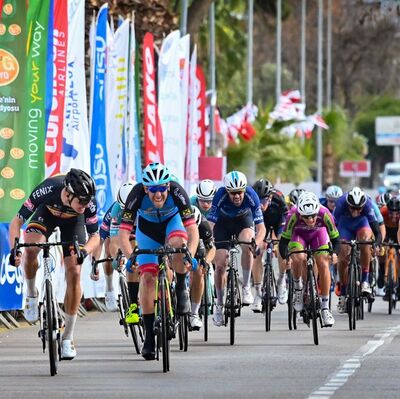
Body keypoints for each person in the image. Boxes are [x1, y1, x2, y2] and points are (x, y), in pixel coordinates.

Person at [8, 168, 99, 360]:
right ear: (68, 193)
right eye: (81, 200)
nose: (85, 204)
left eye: (87, 200)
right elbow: (16, 222)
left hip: (74, 223)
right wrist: (15, 249)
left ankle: (68, 338)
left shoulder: (86, 204)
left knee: (74, 271)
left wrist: (85, 251)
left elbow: (95, 236)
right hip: (46, 214)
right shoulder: (48, 189)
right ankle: (32, 294)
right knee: (32, 248)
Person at [118, 162, 199, 360]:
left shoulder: (178, 192)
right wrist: (130, 258)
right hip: (147, 231)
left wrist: (191, 254)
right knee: (147, 279)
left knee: (178, 243)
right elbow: (123, 232)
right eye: (153, 190)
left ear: (168, 186)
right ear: (145, 189)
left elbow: (192, 230)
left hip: (173, 225)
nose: (158, 194)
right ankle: (149, 339)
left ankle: (180, 287)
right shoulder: (136, 194)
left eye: (162, 188)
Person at [207, 171, 266, 327]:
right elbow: (210, 225)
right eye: (233, 193)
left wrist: (256, 242)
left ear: (244, 190)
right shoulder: (219, 195)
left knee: (248, 243)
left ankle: (246, 286)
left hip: (242, 221)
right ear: (227, 191)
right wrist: (209, 242)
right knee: (220, 265)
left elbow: (261, 227)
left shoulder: (251, 195)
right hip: (222, 225)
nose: (237, 196)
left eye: (239, 192)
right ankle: (219, 305)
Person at [279, 191, 340, 327]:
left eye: (313, 216)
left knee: (323, 262)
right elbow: (283, 241)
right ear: (300, 213)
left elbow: (336, 240)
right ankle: (298, 288)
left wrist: (334, 253)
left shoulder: (325, 213)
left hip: (318, 234)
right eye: (306, 217)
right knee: (298, 257)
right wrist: (285, 258)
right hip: (299, 235)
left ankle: (325, 308)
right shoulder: (293, 215)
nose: (311, 220)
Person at [91, 182, 137, 315]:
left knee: (135, 249)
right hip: (119, 227)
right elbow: (114, 241)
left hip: (137, 227)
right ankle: (110, 287)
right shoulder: (116, 209)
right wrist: (115, 258)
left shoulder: (143, 203)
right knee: (109, 247)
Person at [334, 187, 382, 313]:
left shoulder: (368, 205)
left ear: (363, 206)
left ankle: (365, 280)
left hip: (362, 224)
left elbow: (377, 231)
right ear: (347, 204)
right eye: (352, 208)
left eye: (358, 209)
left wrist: (376, 244)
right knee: (343, 253)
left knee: (365, 241)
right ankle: (343, 293)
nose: (355, 212)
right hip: (345, 225)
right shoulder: (340, 203)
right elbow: (332, 226)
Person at [251, 178, 288, 311]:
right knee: (257, 251)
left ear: (270, 197)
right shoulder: (251, 201)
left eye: (264, 200)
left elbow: (286, 223)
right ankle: (258, 292)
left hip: (278, 221)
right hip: (261, 222)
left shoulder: (279, 200)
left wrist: (278, 242)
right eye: (258, 200)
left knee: (282, 248)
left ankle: (282, 281)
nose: (261, 204)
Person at [189, 206, 216, 330]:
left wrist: (206, 261)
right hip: (180, 240)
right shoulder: (175, 222)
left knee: (199, 272)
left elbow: (212, 248)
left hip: (198, 243)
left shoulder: (204, 226)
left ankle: (194, 313)